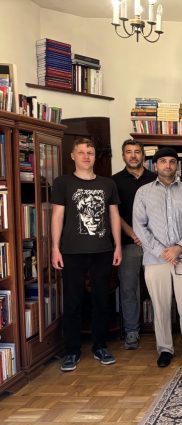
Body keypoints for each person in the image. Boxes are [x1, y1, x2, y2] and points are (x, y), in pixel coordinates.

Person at [51, 138, 122, 372]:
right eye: (81, 152)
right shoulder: (62, 183)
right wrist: (55, 248)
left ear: (94, 156)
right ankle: (72, 351)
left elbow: (113, 216)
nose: (86, 156)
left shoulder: (107, 184)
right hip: (72, 252)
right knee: (72, 302)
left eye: (90, 152)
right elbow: (57, 216)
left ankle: (100, 347)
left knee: (102, 301)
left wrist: (117, 246)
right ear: (73, 156)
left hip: (103, 250)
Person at [133, 147, 182, 368]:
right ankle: (165, 349)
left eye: (172, 161)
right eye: (163, 161)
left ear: (177, 165)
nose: (167, 165)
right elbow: (140, 227)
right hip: (156, 261)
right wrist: (163, 252)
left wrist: (179, 248)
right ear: (155, 165)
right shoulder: (143, 192)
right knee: (161, 307)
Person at [112, 138, 157, 350]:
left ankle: (162, 330)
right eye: (128, 151)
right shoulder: (114, 182)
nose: (133, 155)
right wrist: (133, 233)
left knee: (159, 288)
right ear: (123, 156)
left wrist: (147, 236)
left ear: (143, 156)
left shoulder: (155, 179)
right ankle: (132, 331)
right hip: (128, 243)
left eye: (137, 151)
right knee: (129, 288)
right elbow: (114, 213)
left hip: (155, 244)